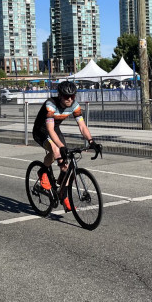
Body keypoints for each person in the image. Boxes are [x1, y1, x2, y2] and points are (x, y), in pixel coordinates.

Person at [31, 81, 97, 212]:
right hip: (41, 131)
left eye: (73, 96)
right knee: (56, 151)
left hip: (55, 130)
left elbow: (82, 126)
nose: (70, 99)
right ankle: (42, 171)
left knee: (67, 167)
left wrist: (91, 141)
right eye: (67, 96)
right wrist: (61, 146)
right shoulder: (51, 104)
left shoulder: (75, 105)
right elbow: (49, 129)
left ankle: (63, 195)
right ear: (60, 96)